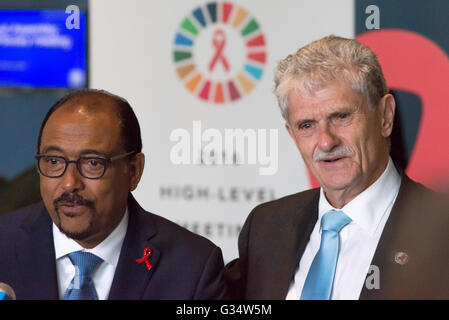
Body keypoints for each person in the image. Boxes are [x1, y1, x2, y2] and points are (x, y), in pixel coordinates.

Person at [225, 35, 449, 299]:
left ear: (386, 116)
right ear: (292, 134)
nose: (326, 141)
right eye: (307, 125)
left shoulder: (440, 233)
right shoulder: (266, 227)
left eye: (341, 116)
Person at [0, 89, 226, 300]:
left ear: (134, 171)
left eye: (92, 163)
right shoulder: (5, 244)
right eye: (53, 161)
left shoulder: (192, 268)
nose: (69, 183)